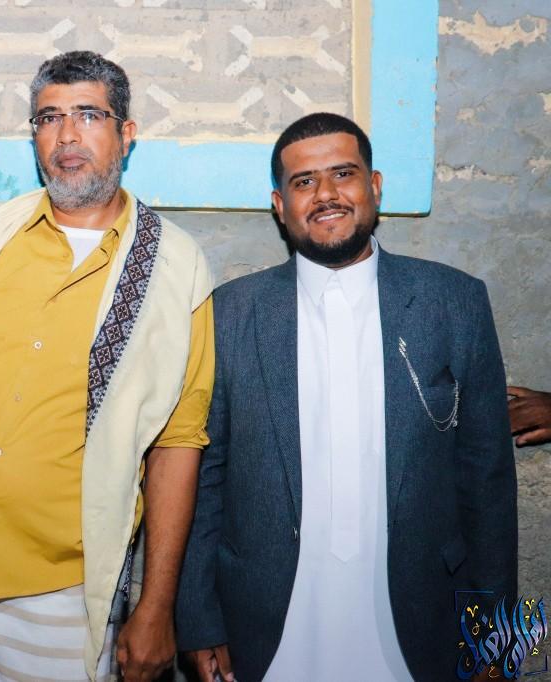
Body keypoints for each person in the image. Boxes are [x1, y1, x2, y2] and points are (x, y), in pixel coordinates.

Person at [0, 51, 214, 681]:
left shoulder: (175, 267)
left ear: (126, 133)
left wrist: (157, 606)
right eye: (48, 118)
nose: (66, 135)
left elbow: (177, 440)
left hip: (64, 590)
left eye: (88, 115)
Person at [176, 112, 517, 681]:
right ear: (279, 205)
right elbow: (204, 476)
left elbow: (491, 487)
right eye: (304, 182)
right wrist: (197, 621)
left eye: (343, 174)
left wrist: (504, 648)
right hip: (267, 625)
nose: (326, 194)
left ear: (374, 186)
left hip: (422, 622)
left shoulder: (456, 301)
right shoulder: (229, 312)